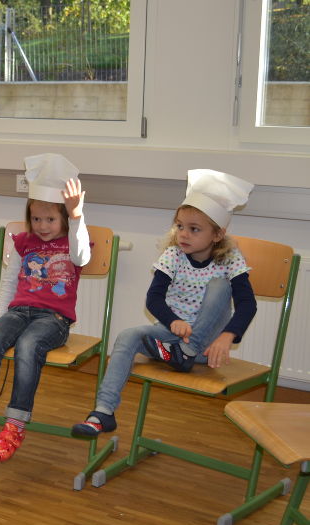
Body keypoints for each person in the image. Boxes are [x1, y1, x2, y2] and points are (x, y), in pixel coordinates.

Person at [72, 169, 256, 437]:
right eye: (180, 226)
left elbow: (247, 304)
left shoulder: (230, 259)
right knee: (128, 336)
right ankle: (103, 412)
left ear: (217, 234)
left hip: (205, 347)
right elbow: (154, 299)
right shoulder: (173, 255)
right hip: (173, 336)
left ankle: (187, 352)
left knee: (219, 285)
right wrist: (173, 322)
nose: (183, 234)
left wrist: (227, 336)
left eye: (194, 229)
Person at [0, 153, 90, 461]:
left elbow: (82, 256)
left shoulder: (72, 243)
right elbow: (8, 284)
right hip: (18, 312)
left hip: (54, 319)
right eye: (36, 219)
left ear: (62, 217)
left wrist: (76, 217)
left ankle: (15, 424)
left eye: (50, 219)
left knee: (29, 345)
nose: (42, 226)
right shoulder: (23, 243)